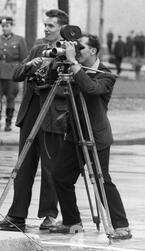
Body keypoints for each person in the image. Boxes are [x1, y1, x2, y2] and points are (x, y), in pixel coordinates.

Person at [49, 34, 132, 240]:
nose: (77, 50)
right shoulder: (72, 68)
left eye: (81, 47)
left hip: (96, 136)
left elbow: (90, 88)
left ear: (93, 51)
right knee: (60, 175)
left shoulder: (106, 74)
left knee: (102, 179)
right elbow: (52, 83)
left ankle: (121, 225)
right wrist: (55, 64)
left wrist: (74, 64)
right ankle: (72, 221)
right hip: (75, 133)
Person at [0, 9, 70, 232]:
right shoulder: (37, 48)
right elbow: (17, 74)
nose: (46, 29)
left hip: (53, 116)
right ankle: (16, 216)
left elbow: (71, 85)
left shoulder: (68, 52)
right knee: (23, 167)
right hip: (31, 112)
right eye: (45, 25)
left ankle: (49, 215)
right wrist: (31, 65)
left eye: (51, 26)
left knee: (50, 169)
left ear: (62, 28)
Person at [0, 16, 28, 131]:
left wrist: (21, 72)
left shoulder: (19, 40)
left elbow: (24, 58)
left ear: (11, 26)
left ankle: (8, 123)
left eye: (7, 26)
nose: (5, 28)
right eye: (3, 26)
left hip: (13, 74)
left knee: (11, 98)